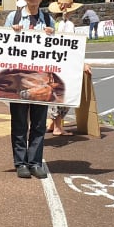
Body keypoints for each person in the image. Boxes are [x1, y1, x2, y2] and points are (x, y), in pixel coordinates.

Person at [5, 0, 54, 178]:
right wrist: (12, 33)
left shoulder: (49, 20)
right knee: (19, 123)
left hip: (41, 80)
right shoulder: (13, 17)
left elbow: (62, 50)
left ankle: (35, 161)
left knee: (39, 124)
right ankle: (20, 163)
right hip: (19, 78)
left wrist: (52, 35)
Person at [48, 8, 77, 136]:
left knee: (55, 92)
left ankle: (53, 124)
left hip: (53, 61)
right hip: (64, 62)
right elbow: (71, 45)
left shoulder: (53, 22)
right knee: (63, 94)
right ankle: (57, 127)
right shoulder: (68, 24)